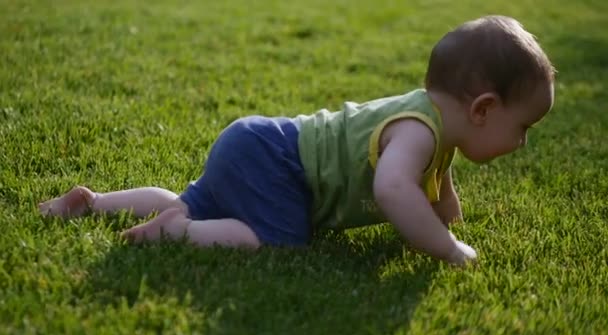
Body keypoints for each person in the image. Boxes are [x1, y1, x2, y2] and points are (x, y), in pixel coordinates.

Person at [39, 15, 555, 266]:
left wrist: (447, 218)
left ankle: (97, 202)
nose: (524, 143)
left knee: (194, 199)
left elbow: (434, 189)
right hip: (278, 162)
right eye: (523, 128)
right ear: (483, 109)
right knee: (275, 238)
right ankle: (174, 233)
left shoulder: (431, 127)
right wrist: (449, 249)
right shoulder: (419, 132)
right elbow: (396, 191)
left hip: (256, 142)